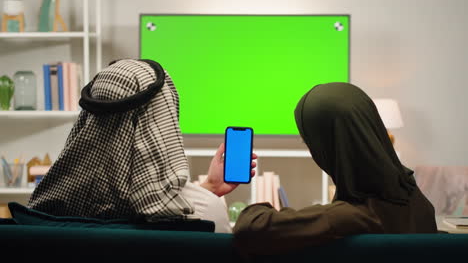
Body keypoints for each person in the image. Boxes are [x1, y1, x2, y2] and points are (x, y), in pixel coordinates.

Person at [27, 59, 256, 233]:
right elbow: (155, 203)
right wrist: (207, 195)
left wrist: (209, 186)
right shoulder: (205, 213)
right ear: (163, 119)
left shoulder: (43, 215)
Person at [232, 82, 437, 255]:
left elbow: (250, 226)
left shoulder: (349, 217)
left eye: (309, 143)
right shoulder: (413, 196)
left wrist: (258, 207)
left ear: (331, 148)